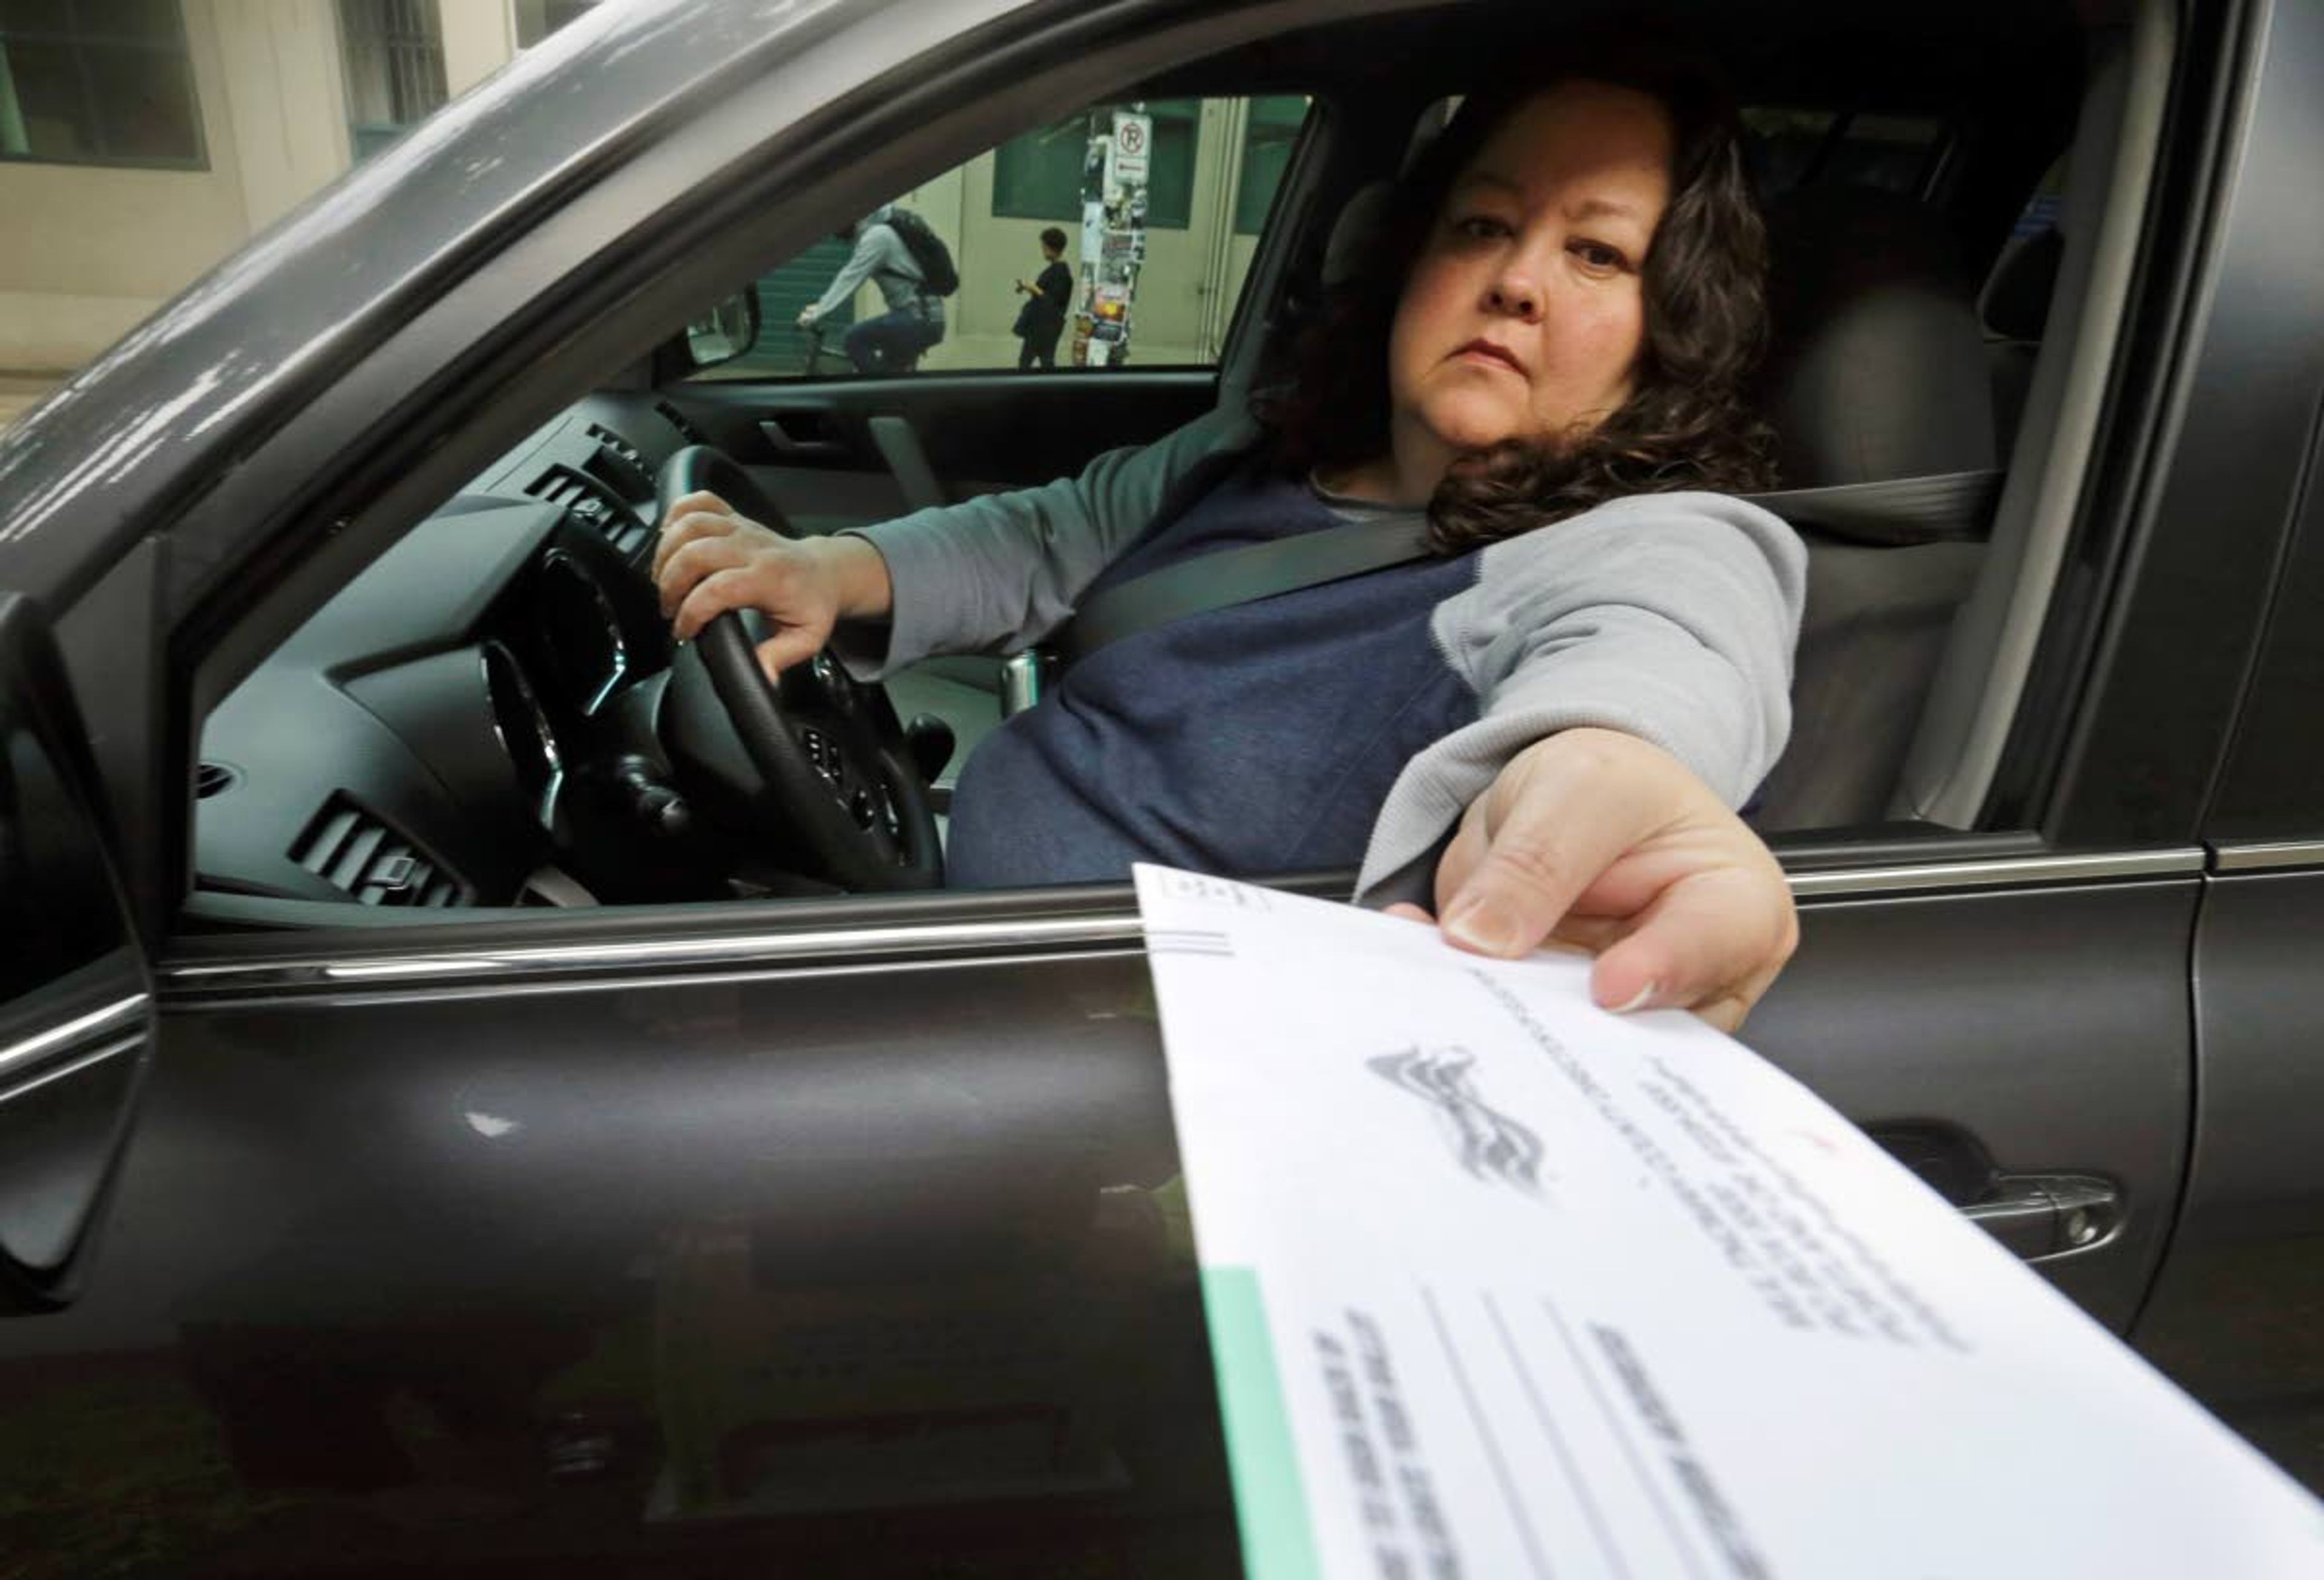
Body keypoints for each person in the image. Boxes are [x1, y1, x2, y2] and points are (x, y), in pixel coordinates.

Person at [658, 53, 1805, 1030]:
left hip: (1105, 1052)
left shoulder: (1646, 544)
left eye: (1596, 255)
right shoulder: (1266, 447)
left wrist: (1611, 771)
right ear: (1413, 263)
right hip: (962, 921)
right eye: (1485, 225)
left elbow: (1671, 652)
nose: (1514, 280)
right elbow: (1054, 534)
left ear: (1670, 329)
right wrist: (826, 569)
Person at [797, 204, 944, 375]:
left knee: (854, 338)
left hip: (918, 318)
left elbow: (850, 277)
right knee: (892, 372)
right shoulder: (876, 234)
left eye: (838, 229)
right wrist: (819, 308)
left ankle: (878, 392)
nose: (837, 235)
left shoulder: (877, 237)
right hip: (921, 317)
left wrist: (818, 312)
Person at [1012, 226, 1075, 370]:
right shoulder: (1056, 270)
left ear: (1050, 248)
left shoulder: (1060, 273)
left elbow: (1052, 302)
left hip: (1044, 328)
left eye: (1044, 247)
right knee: (1044, 362)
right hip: (1044, 327)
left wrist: (1033, 288)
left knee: (1029, 363)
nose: (1042, 250)